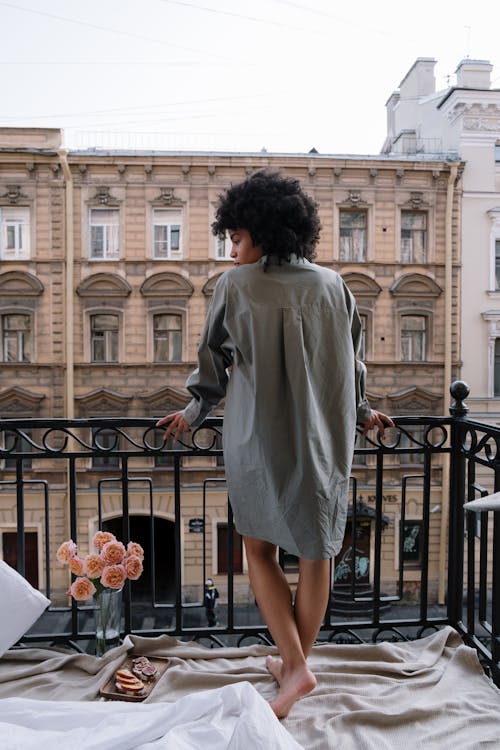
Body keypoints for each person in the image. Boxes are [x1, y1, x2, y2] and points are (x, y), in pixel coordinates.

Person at [157, 170, 393, 718]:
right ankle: (293, 669)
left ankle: (296, 667)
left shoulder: (235, 286)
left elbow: (211, 362)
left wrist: (193, 411)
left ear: (262, 232)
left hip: (255, 435)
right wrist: (362, 412)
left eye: (237, 238)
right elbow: (353, 366)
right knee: (316, 554)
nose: (234, 248)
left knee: (258, 548)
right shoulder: (336, 286)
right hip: (324, 436)